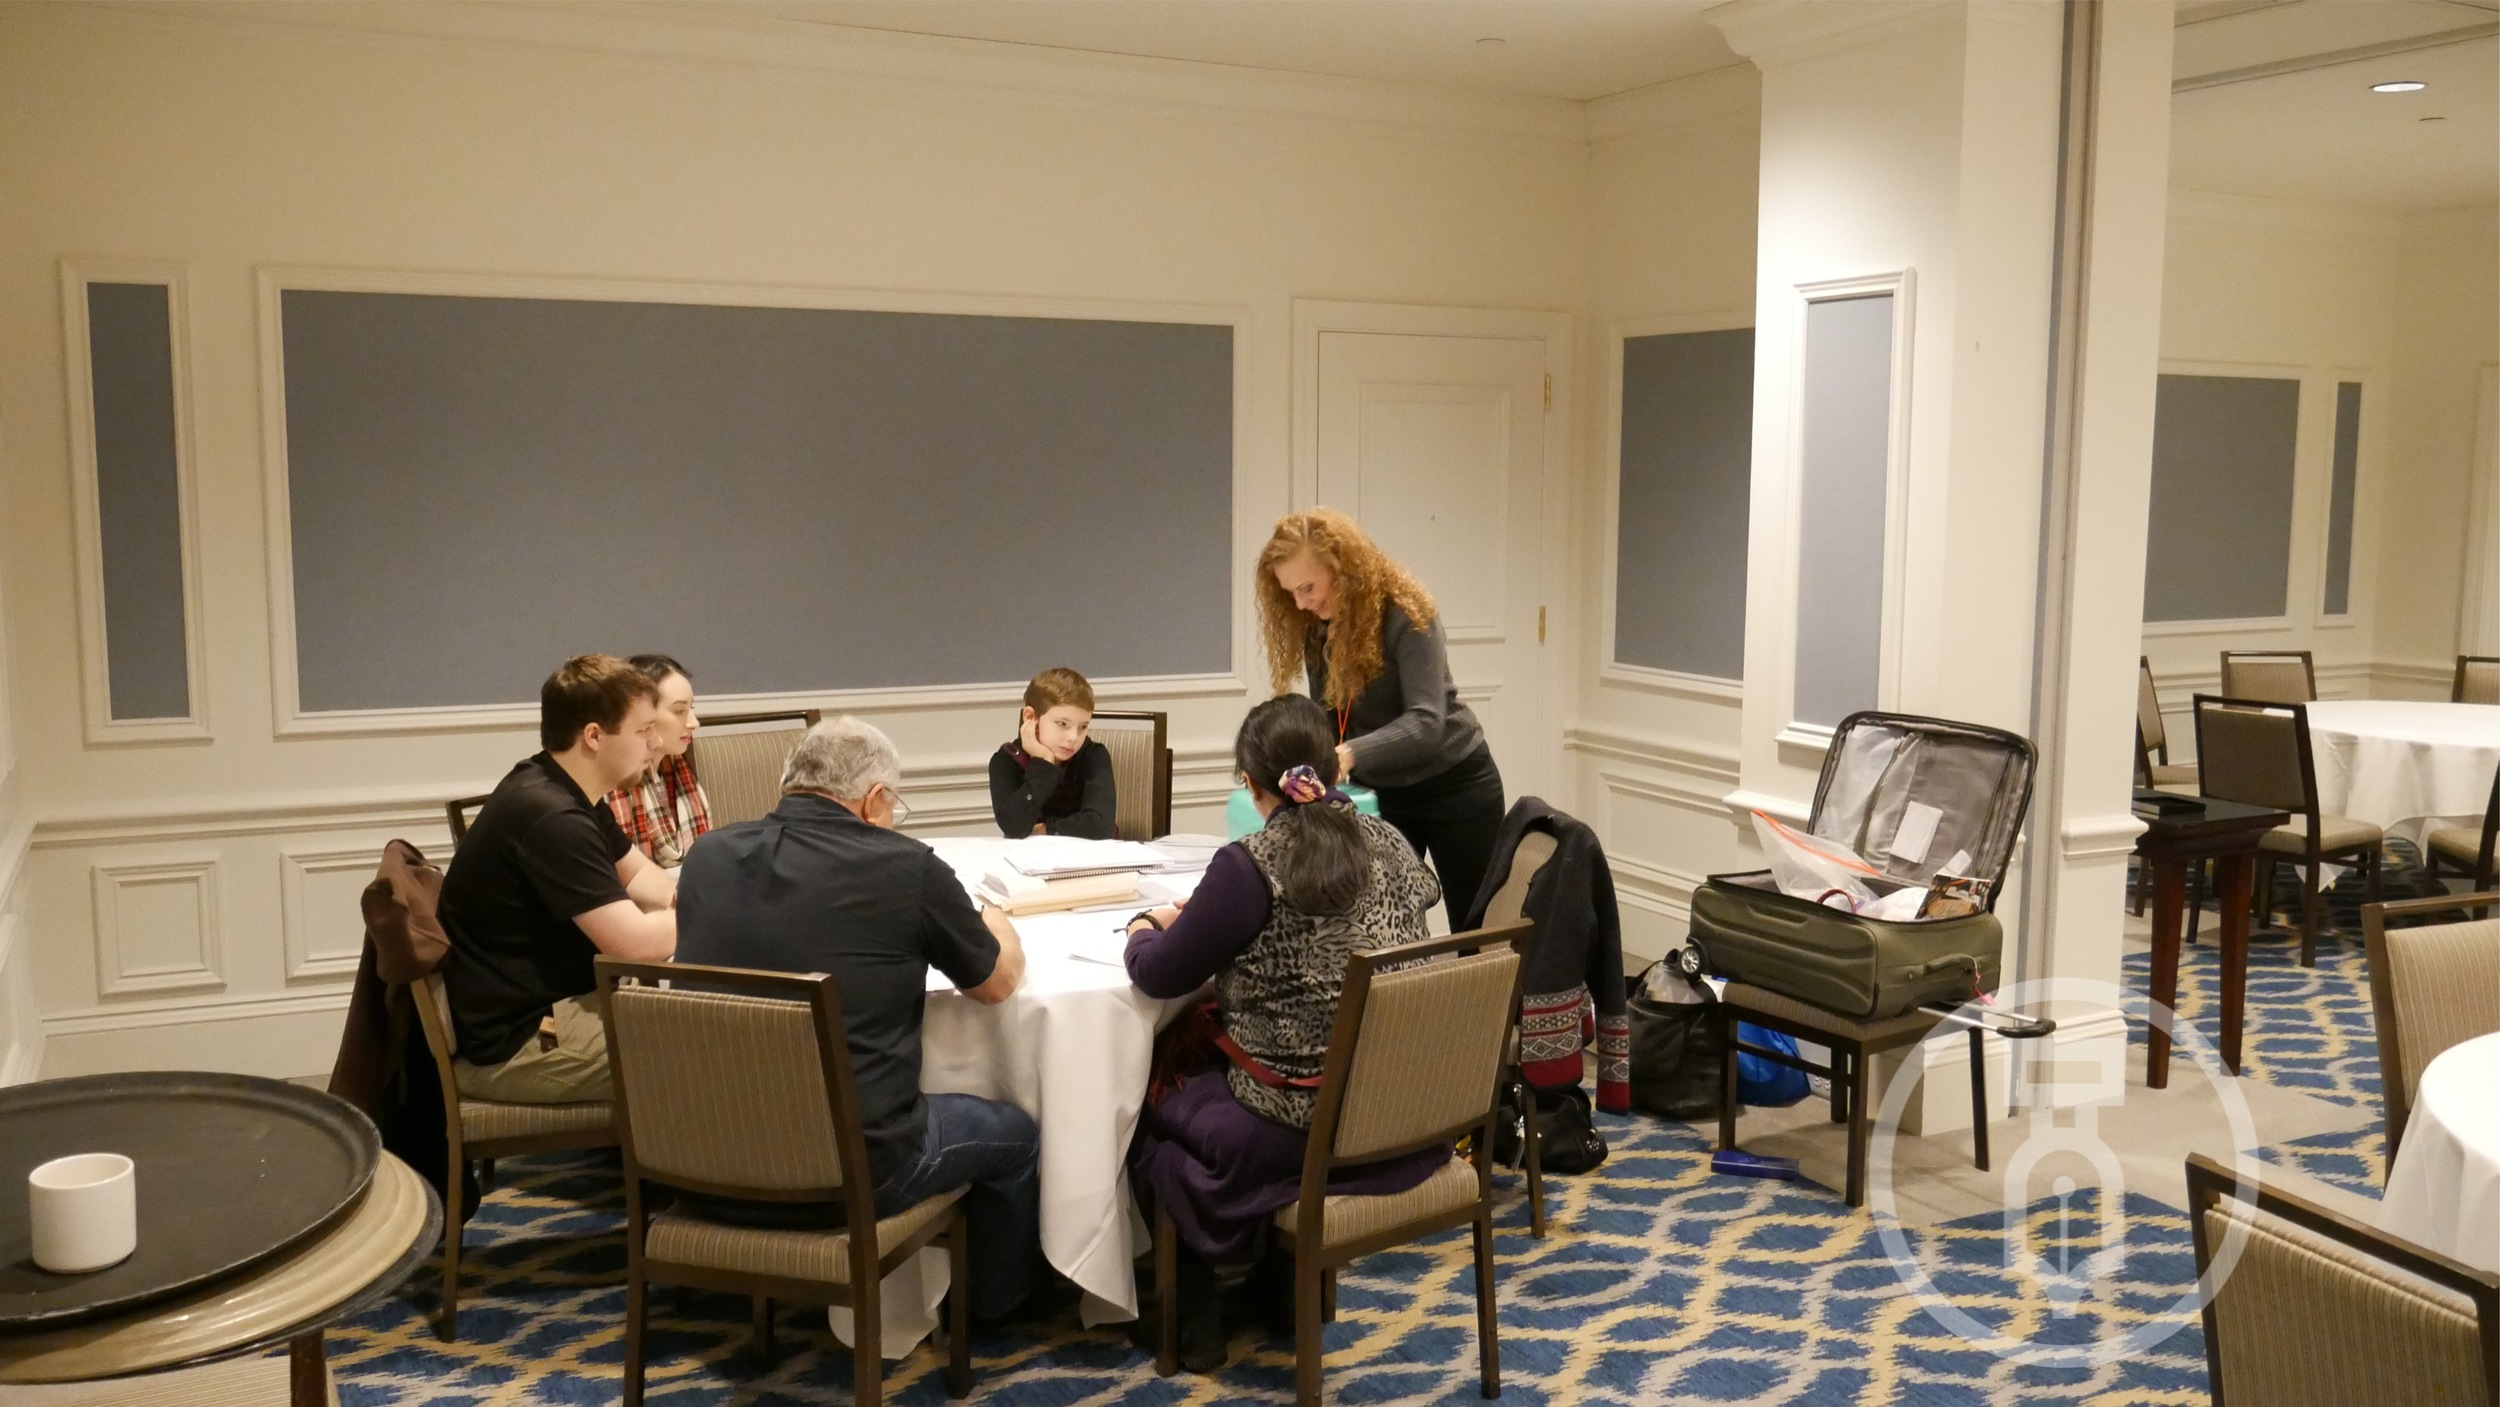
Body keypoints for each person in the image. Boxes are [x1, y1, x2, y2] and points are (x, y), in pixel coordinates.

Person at [676, 716, 1042, 1322]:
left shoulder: (707, 857)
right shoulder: (906, 869)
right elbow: (997, 984)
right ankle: (991, 1315)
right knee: (1016, 1134)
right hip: (857, 1173)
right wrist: (998, 926)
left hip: (701, 1158)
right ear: (875, 800)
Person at [1123, 695, 1447, 1370]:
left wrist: (1145, 927)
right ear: (1332, 764)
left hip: (1301, 1118)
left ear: (1250, 784)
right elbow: (1420, 893)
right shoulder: (1386, 838)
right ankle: (1276, 1291)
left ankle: (1195, 1321)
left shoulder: (1249, 864)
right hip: (1403, 1108)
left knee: (1143, 1104)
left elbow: (1160, 975)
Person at [438, 654, 680, 1106]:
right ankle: (681, 1173)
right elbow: (635, 945)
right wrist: (719, 909)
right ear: (593, 736)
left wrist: (682, 899)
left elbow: (643, 875)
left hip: (552, 1009)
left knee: (710, 1028)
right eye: (644, 730)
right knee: (718, 1047)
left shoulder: (564, 788)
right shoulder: (551, 817)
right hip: (519, 1044)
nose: (656, 743)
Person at [1257, 507, 1506, 921]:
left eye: (1308, 587)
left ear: (1344, 569)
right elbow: (1327, 713)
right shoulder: (1319, 624)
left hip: (1457, 789)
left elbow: (1427, 722)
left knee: (1475, 928)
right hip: (1382, 794)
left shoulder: (1407, 614)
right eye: (1291, 593)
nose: (1301, 603)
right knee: (1383, 923)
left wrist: (1348, 754)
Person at [604, 653, 711, 867]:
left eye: (692, 708)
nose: (694, 723)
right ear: (643, 715)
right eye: (679, 710)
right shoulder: (610, 782)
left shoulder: (679, 768)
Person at [987, 666, 1117, 839]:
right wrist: (1044, 764)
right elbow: (1013, 826)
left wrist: (1046, 829)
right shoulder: (1006, 761)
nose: (1073, 737)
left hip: (1092, 859)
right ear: (1030, 717)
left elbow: (1100, 825)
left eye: (1083, 727)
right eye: (1062, 724)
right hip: (1031, 861)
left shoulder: (1093, 755)